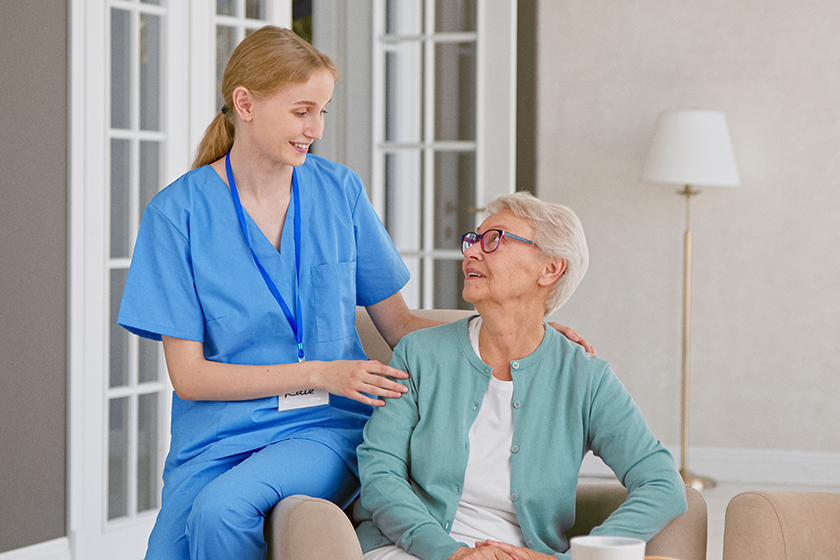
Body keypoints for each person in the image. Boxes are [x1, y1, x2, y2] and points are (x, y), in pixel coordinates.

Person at [117, 27, 591, 560]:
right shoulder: (175, 215)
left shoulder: (339, 192)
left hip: (325, 424)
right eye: (302, 111)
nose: (314, 129)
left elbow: (401, 326)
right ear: (244, 104)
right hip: (215, 436)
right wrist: (321, 371)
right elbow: (191, 376)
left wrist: (528, 333)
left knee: (222, 511)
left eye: (322, 112)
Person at [354, 192, 687, 560]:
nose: (471, 252)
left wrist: (573, 558)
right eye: (473, 239)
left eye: (494, 240)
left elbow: (662, 484)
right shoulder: (419, 353)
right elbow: (379, 473)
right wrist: (452, 553)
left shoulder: (585, 377)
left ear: (550, 269)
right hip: (413, 551)